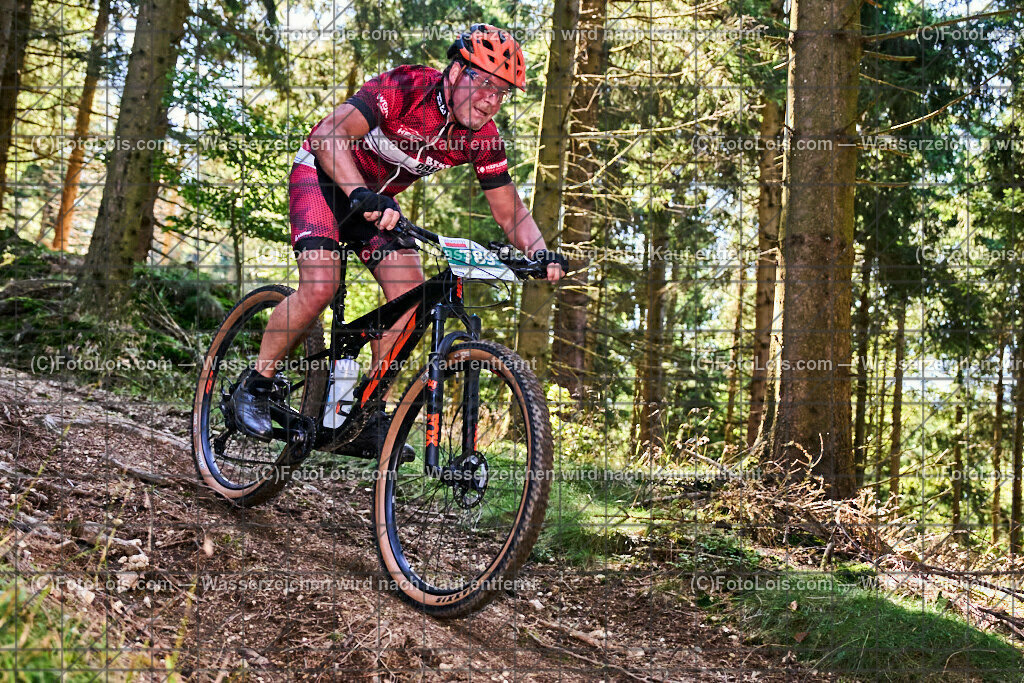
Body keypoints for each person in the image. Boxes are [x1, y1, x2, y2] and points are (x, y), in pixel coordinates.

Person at [230, 24, 567, 457]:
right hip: (322, 175)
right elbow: (328, 135)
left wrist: (539, 253)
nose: (490, 99)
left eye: (502, 92)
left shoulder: (482, 138)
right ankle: (255, 386)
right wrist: (358, 191)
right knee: (320, 286)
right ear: (455, 71)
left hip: (376, 203)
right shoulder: (407, 87)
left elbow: (509, 211)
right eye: (483, 83)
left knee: (410, 302)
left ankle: (364, 416)